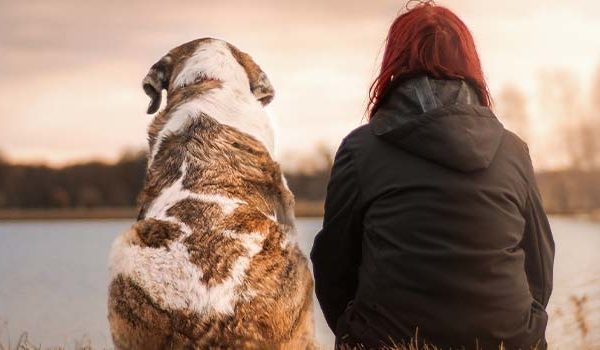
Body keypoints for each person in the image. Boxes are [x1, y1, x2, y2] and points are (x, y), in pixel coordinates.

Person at [310, 2, 554, 350]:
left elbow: (333, 267)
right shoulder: (513, 150)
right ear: (469, 64)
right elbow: (541, 267)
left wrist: (354, 333)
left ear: (394, 64)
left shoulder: (361, 150)